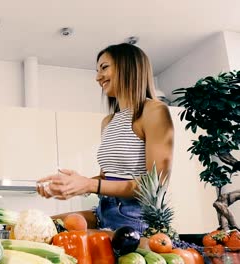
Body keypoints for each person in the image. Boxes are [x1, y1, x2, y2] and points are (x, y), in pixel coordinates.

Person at [37, 43, 174, 234]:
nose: (97, 77)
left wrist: (88, 184)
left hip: (134, 217)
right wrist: (71, 185)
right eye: (97, 70)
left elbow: (155, 187)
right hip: (104, 209)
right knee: (44, 225)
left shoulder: (154, 111)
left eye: (104, 68)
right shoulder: (108, 121)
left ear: (128, 66)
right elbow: (106, 178)